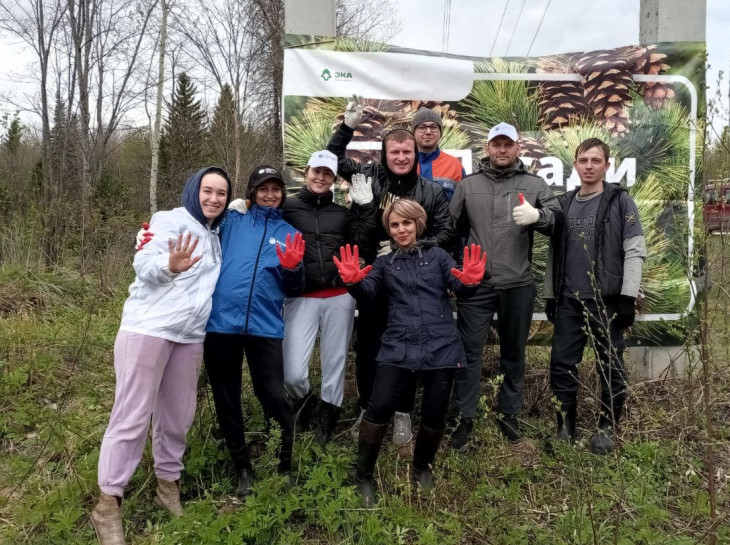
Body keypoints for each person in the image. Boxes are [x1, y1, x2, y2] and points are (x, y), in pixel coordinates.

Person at [92, 167, 231, 545]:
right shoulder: (169, 220)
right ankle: (108, 502)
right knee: (132, 416)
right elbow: (144, 263)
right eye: (207, 191)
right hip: (148, 329)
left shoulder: (215, 233)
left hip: (189, 337)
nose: (214, 199)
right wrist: (169, 267)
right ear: (193, 190)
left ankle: (167, 487)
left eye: (221, 193)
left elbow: (235, 209)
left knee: (177, 416)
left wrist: (242, 203)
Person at [333, 199, 486, 507]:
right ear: (388, 230)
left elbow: (459, 284)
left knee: (434, 413)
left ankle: (421, 469)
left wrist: (469, 283)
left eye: (406, 223)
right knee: (378, 408)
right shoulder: (384, 264)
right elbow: (368, 292)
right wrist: (352, 283)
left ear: (418, 223)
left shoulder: (439, 257)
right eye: (394, 225)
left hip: (440, 345)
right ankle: (363, 476)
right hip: (398, 344)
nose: (401, 230)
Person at [327, 96, 455, 448]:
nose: (401, 157)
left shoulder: (430, 190)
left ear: (416, 154)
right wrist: (347, 127)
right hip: (375, 279)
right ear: (384, 154)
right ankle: (368, 412)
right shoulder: (367, 175)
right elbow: (332, 160)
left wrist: (412, 247)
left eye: (407, 152)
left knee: (410, 352)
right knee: (369, 348)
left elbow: (447, 231)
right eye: (395, 152)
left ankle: (402, 417)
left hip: (414, 285)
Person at [448, 122, 561, 449]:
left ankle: (509, 414)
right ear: (487, 148)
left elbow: (557, 221)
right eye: (496, 144)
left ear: (517, 148)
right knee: (468, 353)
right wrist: (457, 272)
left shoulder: (534, 184)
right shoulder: (468, 186)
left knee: (514, 353)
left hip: (517, 284)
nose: (501, 150)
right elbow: (451, 231)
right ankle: (464, 417)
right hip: (476, 284)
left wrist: (538, 217)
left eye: (507, 144)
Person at [204, 165, 305, 495]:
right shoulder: (232, 221)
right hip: (221, 325)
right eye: (263, 188)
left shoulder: (291, 234)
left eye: (276, 189)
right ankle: (242, 468)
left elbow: (294, 287)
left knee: (274, 397)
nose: (270, 194)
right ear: (251, 193)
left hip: (265, 326)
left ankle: (283, 464)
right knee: (227, 396)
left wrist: (292, 271)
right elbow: (198, 230)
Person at [544, 138, 645, 455]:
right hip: (569, 301)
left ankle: (607, 427)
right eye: (583, 160)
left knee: (610, 364)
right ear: (574, 164)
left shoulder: (620, 201)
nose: (589, 166)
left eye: (595, 160)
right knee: (562, 364)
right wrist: (550, 294)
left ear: (607, 165)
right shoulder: (563, 204)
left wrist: (628, 297)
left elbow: (635, 250)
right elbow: (553, 254)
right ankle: (565, 429)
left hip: (608, 302)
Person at [279, 150, 376, 445]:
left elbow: (363, 239)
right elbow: (263, 219)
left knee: (335, 363)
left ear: (334, 179)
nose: (321, 177)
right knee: (293, 372)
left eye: (327, 174)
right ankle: (303, 402)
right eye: (316, 171)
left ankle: (327, 420)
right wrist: (243, 206)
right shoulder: (288, 207)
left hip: (338, 295)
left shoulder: (342, 214)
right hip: (301, 296)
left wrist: (366, 208)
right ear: (307, 172)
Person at [412, 107, 466, 201]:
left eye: (433, 127)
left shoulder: (454, 164)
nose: (428, 132)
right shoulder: (403, 162)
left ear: (440, 133)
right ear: (413, 132)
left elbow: (464, 202)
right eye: (422, 127)